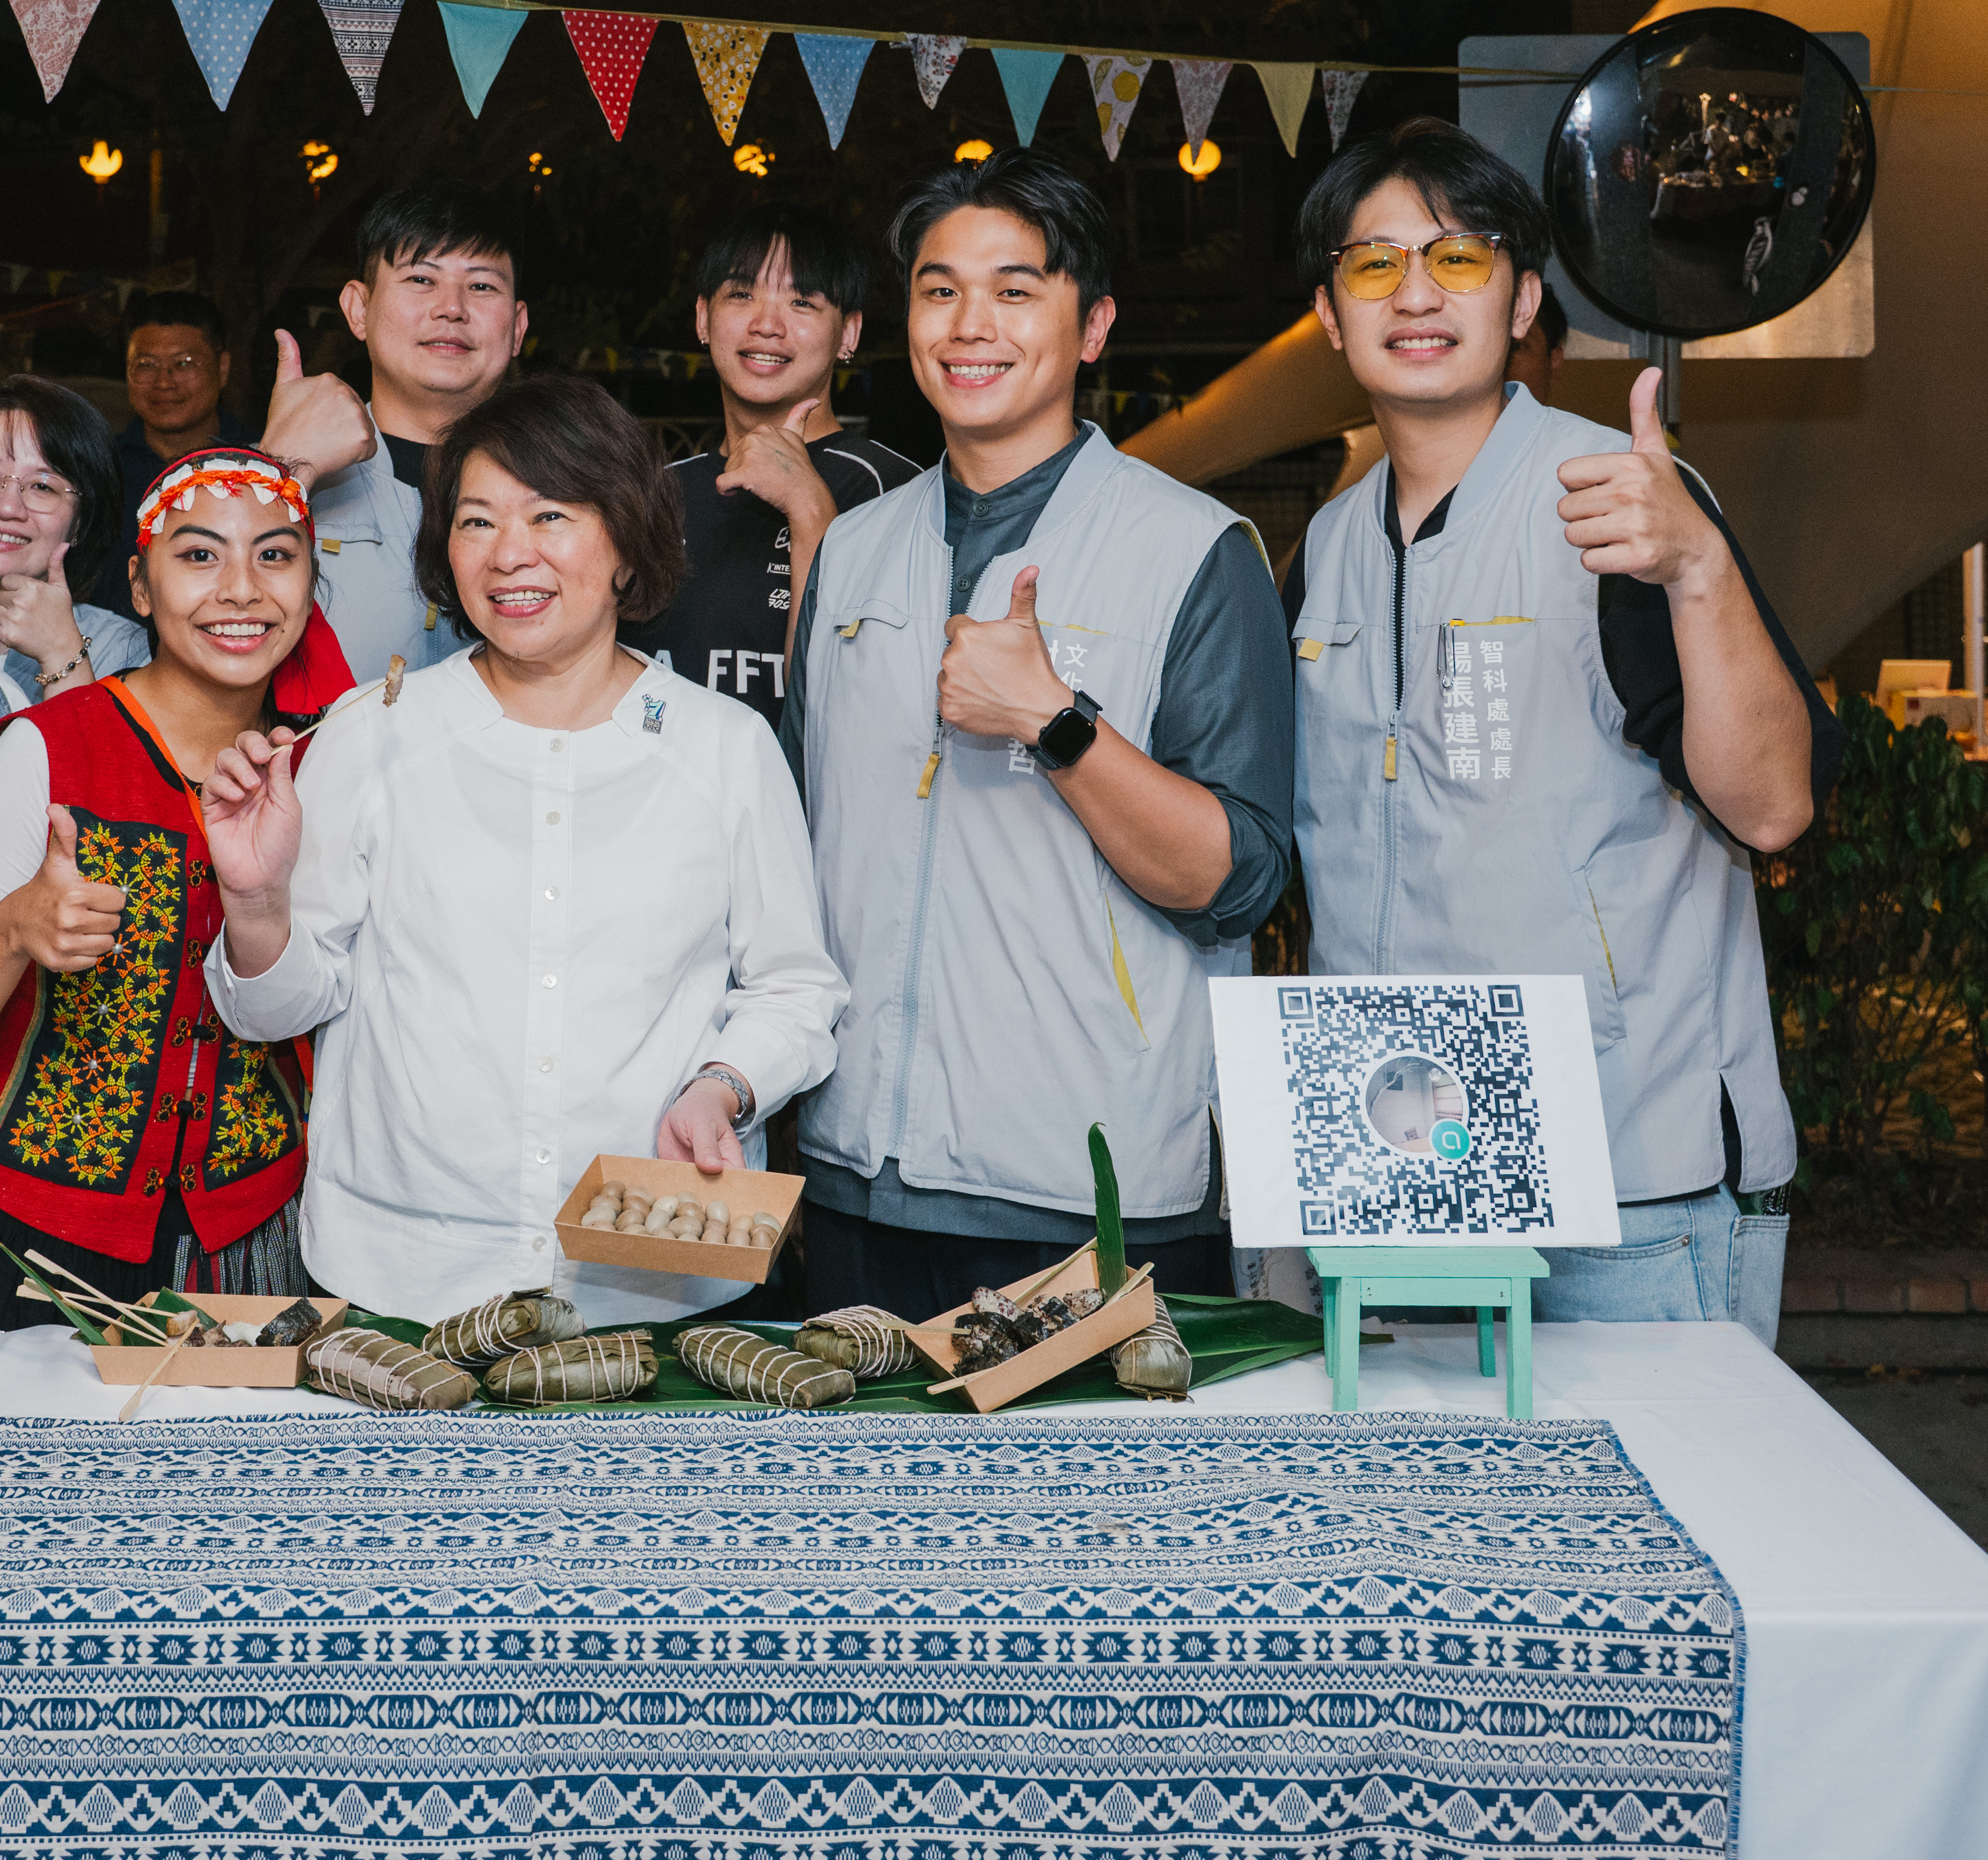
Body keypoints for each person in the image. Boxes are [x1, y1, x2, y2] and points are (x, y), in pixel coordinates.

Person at [1286, 116, 1838, 1342]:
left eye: (1459, 258)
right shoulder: (1326, 545)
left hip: (1623, 1169)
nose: (1416, 294)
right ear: (1329, 313)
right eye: (1375, 264)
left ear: (1524, 298)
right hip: (1405, 1170)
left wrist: (1697, 567)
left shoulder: (1623, 506)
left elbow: (1773, 806)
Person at [205, 376, 845, 1326]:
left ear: (624, 540)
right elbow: (279, 1010)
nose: (509, 553)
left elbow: (793, 984)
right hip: (404, 1276)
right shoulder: (374, 732)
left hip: (647, 1280)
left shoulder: (724, 747)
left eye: (549, 515)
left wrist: (725, 1086)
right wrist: (256, 903)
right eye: (476, 521)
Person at [781, 152, 1294, 1316]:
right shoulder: (853, 552)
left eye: (1016, 290)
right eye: (940, 289)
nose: (970, 324)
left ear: (1093, 324)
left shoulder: (1194, 549)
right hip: (859, 1169)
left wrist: (1054, 722)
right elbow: (796, 843)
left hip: (1089, 1185)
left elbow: (1236, 879)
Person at [0, 447, 356, 1327]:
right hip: (25, 1233)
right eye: (200, 554)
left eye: (275, 555)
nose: (242, 590)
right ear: (139, 586)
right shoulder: (46, 751)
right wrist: (13, 928)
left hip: (249, 1236)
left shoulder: (332, 769)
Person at [629, 204, 919, 727]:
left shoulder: (895, 491)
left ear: (849, 333)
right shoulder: (656, 493)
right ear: (703, 318)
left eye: (802, 301)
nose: (766, 325)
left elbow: (866, 700)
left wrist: (807, 503)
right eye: (741, 295)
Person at [254, 180, 530, 678]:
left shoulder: (566, 488)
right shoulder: (252, 477)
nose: (451, 308)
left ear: (518, 327)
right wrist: (280, 475)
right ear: (358, 310)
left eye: (482, 286)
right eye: (422, 279)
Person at [0, 377, 152, 717]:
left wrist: (62, 655)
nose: (7, 507)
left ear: (79, 523)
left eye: (42, 487)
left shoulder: (123, 653)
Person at [1326, 283, 1569, 501]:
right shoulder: (1341, 521)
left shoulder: (1582, 475)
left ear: (1555, 360)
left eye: (1518, 347)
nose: (1503, 359)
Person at [115, 291, 259, 516]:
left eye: (184, 363)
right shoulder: (100, 467)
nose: (164, 383)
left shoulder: (261, 461)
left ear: (222, 368)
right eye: (146, 364)